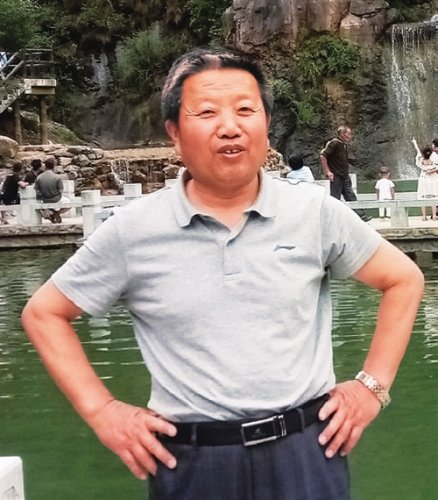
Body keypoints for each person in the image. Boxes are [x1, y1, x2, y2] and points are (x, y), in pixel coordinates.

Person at [22, 48, 424, 500]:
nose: (230, 126)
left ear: (266, 124)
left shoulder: (313, 212)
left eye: (245, 110)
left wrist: (372, 387)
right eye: (207, 112)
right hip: (191, 461)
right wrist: (102, 411)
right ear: (175, 133)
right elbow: (44, 313)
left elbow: (404, 279)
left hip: (306, 451)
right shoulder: (133, 230)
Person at [320, 126, 372, 222]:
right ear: (343, 134)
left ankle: (361, 216)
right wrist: (328, 171)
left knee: (350, 195)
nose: (350, 136)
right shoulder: (334, 143)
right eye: (349, 134)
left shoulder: (343, 145)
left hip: (344, 175)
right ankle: (331, 218)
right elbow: (323, 155)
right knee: (335, 198)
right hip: (336, 175)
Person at [34, 157, 69, 223]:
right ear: (54, 166)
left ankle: (51, 212)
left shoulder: (39, 177)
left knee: (38, 202)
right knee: (68, 203)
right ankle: (56, 213)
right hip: (56, 199)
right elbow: (61, 190)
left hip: (44, 199)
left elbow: (36, 190)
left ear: (45, 166)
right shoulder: (57, 177)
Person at [412, 137, 438, 221]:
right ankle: (434, 215)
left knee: (422, 196)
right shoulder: (434, 158)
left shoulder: (420, 159)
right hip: (433, 179)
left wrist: (415, 143)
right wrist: (432, 171)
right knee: (434, 197)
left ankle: (424, 216)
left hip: (423, 179)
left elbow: (418, 151)